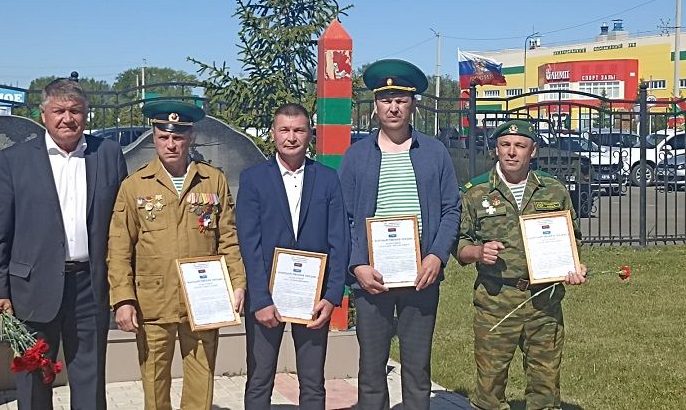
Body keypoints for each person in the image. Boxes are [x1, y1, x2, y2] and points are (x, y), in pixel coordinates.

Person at [0, 78, 127, 409]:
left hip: (90, 287)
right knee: (33, 379)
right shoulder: (14, 160)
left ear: (86, 115)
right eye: (59, 110)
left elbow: (122, 226)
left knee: (90, 379)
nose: (68, 118)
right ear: (43, 114)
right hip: (31, 287)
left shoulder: (107, 154)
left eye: (75, 110)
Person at [338, 59, 462, 409]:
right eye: (386, 99)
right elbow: (343, 218)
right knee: (371, 369)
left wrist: (436, 255)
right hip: (371, 279)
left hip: (420, 276)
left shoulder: (434, 152)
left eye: (401, 99)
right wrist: (357, 264)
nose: (393, 107)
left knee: (418, 368)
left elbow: (452, 208)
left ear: (413, 104)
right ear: (376, 105)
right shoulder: (357, 155)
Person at [107, 100, 246, 410]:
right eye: (164, 136)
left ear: (191, 137)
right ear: (154, 137)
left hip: (204, 301)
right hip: (153, 301)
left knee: (201, 377)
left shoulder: (213, 181)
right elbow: (118, 248)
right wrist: (123, 299)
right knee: (154, 381)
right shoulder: (134, 186)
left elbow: (228, 238)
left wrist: (237, 282)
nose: (171, 144)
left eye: (178, 136)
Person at [456, 119, 587, 410]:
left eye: (520, 146)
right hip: (496, 300)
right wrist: (478, 252)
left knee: (546, 387)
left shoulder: (553, 191)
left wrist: (575, 266)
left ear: (534, 151)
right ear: (496, 150)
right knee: (489, 389)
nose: (512, 152)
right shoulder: (475, 193)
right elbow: (459, 244)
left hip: (545, 301)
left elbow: (573, 238)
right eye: (505, 145)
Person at [236, 103, 350, 410]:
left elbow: (340, 240)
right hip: (266, 297)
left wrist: (331, 295)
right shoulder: (253, 179)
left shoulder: (327, 179)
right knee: (260, 379)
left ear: (309, 134)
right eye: (284, 130)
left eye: (299, 130)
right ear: (273, 133)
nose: (291, 138)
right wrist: (259, 299)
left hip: (313, 300)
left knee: (313, 382)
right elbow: (249, 243)